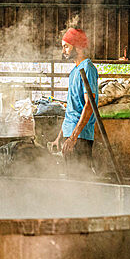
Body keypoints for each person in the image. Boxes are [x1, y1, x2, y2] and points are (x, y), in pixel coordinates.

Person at [49, 27, 98, 176]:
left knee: (80, 180)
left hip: (80, 138)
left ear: (77, 47)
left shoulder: (87, 68)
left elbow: (89, 105)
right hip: (71, 136)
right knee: (71, 180)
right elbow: (71, 109)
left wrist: (73, 137)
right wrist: (59, 138)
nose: (63, 50)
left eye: (66, 46)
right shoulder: (75, 71)